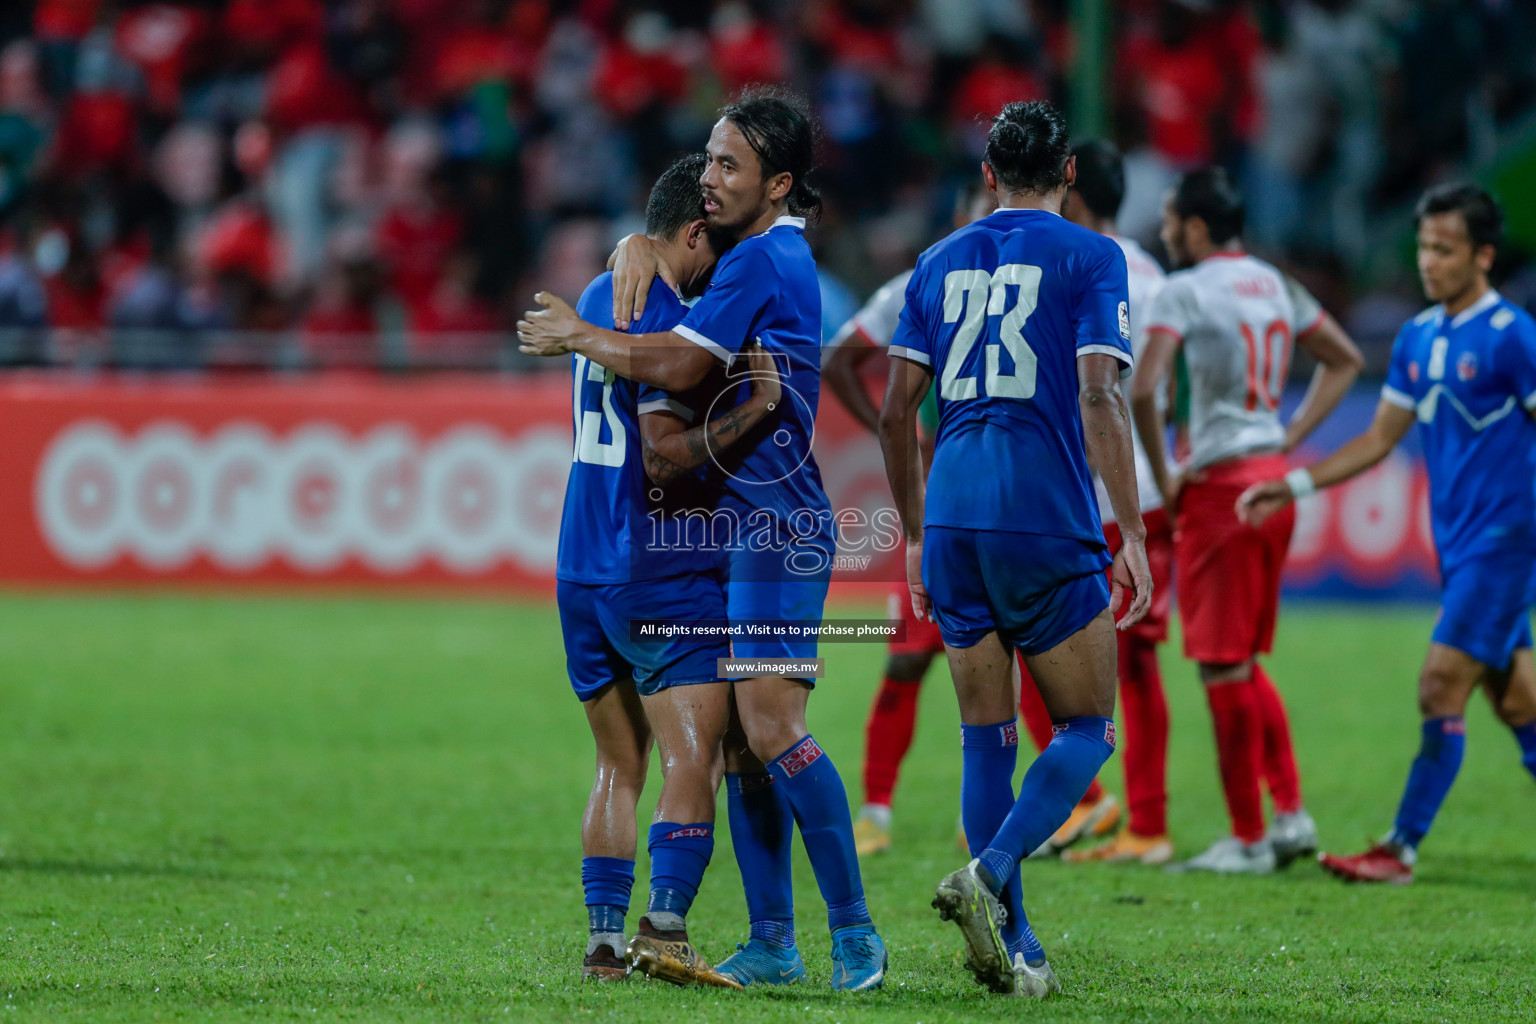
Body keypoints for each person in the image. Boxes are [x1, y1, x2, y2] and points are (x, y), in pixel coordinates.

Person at [520, 88, 888, 992]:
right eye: (710, 162)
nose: (714, 178)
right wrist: (641, 242)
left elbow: (683, 363)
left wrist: (582, 332)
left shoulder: (767, 260)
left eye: (731, 165)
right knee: (730, 749)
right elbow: (675, 260)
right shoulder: (739, 257)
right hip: (726, 531)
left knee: (769, 727)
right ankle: (771, 940)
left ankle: (855, 933)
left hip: (778, 527)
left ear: (780, 183)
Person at [879, 99, 1150, 999]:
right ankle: (990, 875)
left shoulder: (934, 260)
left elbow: (893, 412)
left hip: (952, 511)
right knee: (1086, 727)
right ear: (1069, 173)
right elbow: (1102, 398)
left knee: (984, 739)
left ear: (987, 173)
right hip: (1039, 512)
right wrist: (1135, 533)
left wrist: (915, 535)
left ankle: (1022, 948)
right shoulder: (1091, 255)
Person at [1237, 183, 1536, 884]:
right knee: (1517, 700)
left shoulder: (1513, 337)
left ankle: (1399, 848)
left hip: (1505, 542)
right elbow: (1379, 438)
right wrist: (1297, 482)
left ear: (1483, 255)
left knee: (1439, 687)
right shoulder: (1418, 337)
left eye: (1446, 248)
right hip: (1457, 547)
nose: (1430, 261)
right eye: (1425, 247)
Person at [555, 154, 780, 988]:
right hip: (654, 564)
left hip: (579, 565)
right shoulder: (680, 320)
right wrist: (754, 406)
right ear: (694, 230)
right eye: (715, 241)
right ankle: (667, 926)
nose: (723, 261)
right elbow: (667, 456)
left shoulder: (594, 298)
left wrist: (632, 247)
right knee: (696, 759)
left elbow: (636, 262)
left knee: (620, 763)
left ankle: (605, 943)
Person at [1129, 167, 1363, 874]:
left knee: (1221, 667)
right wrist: (1290, 436)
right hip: (1271, 481)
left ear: (1197, 226)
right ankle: (1289, 816)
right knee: (1242, 662)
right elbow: (1345, 359)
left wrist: (1166, 476)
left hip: (1219, 488)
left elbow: (1143, 386)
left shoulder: (1185, 288)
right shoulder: (1274, 282)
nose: (1166, 231)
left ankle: (1250, 837)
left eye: (1172, 219)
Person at [821, 180, 1001, 857]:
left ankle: (983, 815)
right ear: (960, 217)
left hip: (1007, 497)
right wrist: (888, 432)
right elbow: (840, 359)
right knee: (907, 662)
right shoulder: (920, 282)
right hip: (944, 499)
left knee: (1001, 661)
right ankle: (875, 812)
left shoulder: (1034, 282)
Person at [1054, 138, 1175, 865]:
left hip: (1105, 495)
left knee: (1124, 662)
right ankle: (1104, 807)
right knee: (1114, 663)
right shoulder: (1153, 275)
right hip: (1118, 493)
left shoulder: (1091, 267)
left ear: (1072, 193)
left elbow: (1118, 390)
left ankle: (1142, 823)